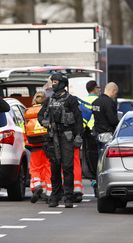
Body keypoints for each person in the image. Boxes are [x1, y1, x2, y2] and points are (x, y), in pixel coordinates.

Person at [38, 72, 83, 208]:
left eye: (56, 82)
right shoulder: (49, 100)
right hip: (53, 137)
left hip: (67, 137)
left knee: (68, 167)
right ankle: (55, 196)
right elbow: (40, 115)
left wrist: (78, 136)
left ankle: (68, 197)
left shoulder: (71, 100)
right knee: (54, 167)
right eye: (52, 81)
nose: (53, 84)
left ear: (62, 84)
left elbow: (78, 120)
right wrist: (45, 122)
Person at [24, 91, 52, 203]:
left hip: (34, 144)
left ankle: (37, 185)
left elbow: (25, 129)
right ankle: (48, 191)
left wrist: (27, 143)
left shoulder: (28, 112)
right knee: (48, 167)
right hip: (47, 143)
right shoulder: (48, 110)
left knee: (35, 168)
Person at [79, 80, 100, 193]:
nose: (99, 90)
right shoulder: (98, 100)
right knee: (98, 157)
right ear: (94, 88)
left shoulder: (83, 101)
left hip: (86, 132)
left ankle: (93, 181)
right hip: (97, 131)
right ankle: (98, 179)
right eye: (98, 88)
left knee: (88, 158)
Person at [92, 81, 119, 152]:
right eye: (116, 94)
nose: (115, 96)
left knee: (98, 156)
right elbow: (113, 120)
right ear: (113, 91)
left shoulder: (95, 102)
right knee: (105, 157)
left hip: (97, 134)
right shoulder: (109, 103)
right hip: (107, 135)